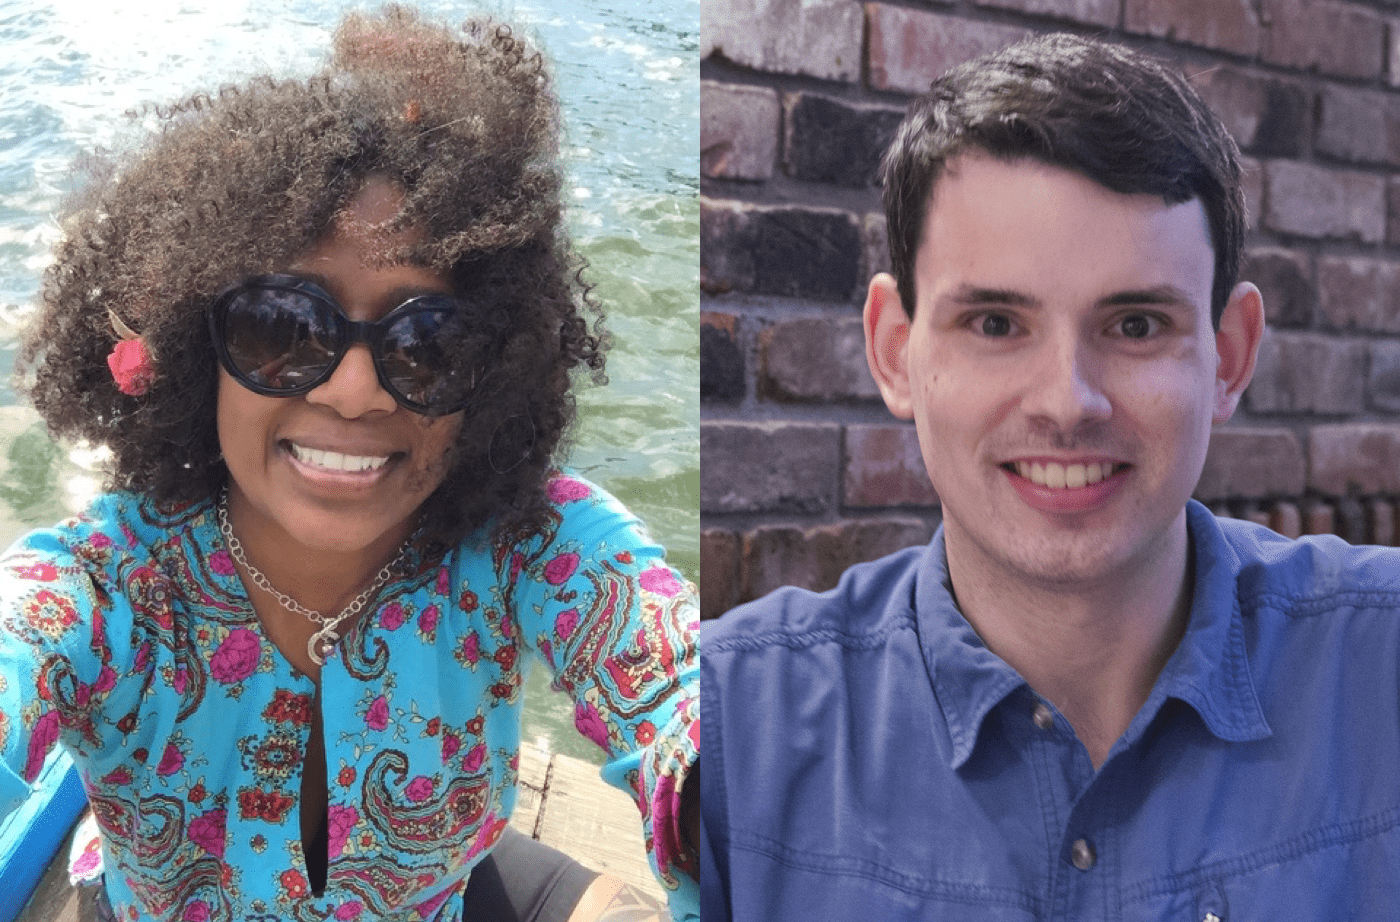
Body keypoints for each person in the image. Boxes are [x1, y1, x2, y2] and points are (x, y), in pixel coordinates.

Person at [0, 7, 698, 921]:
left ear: (495, 374)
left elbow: (688, 695)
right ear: (195, 345)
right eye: (284, 325)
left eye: (429, 343)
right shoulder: (109, 587)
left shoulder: (537, 545)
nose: (358, 391)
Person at [700, 32, 1400, 921]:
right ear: (891, 351)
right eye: (995, 323)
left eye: (1137, 325)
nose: (1067, 402)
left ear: (1228, 357)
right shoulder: (728, 730)